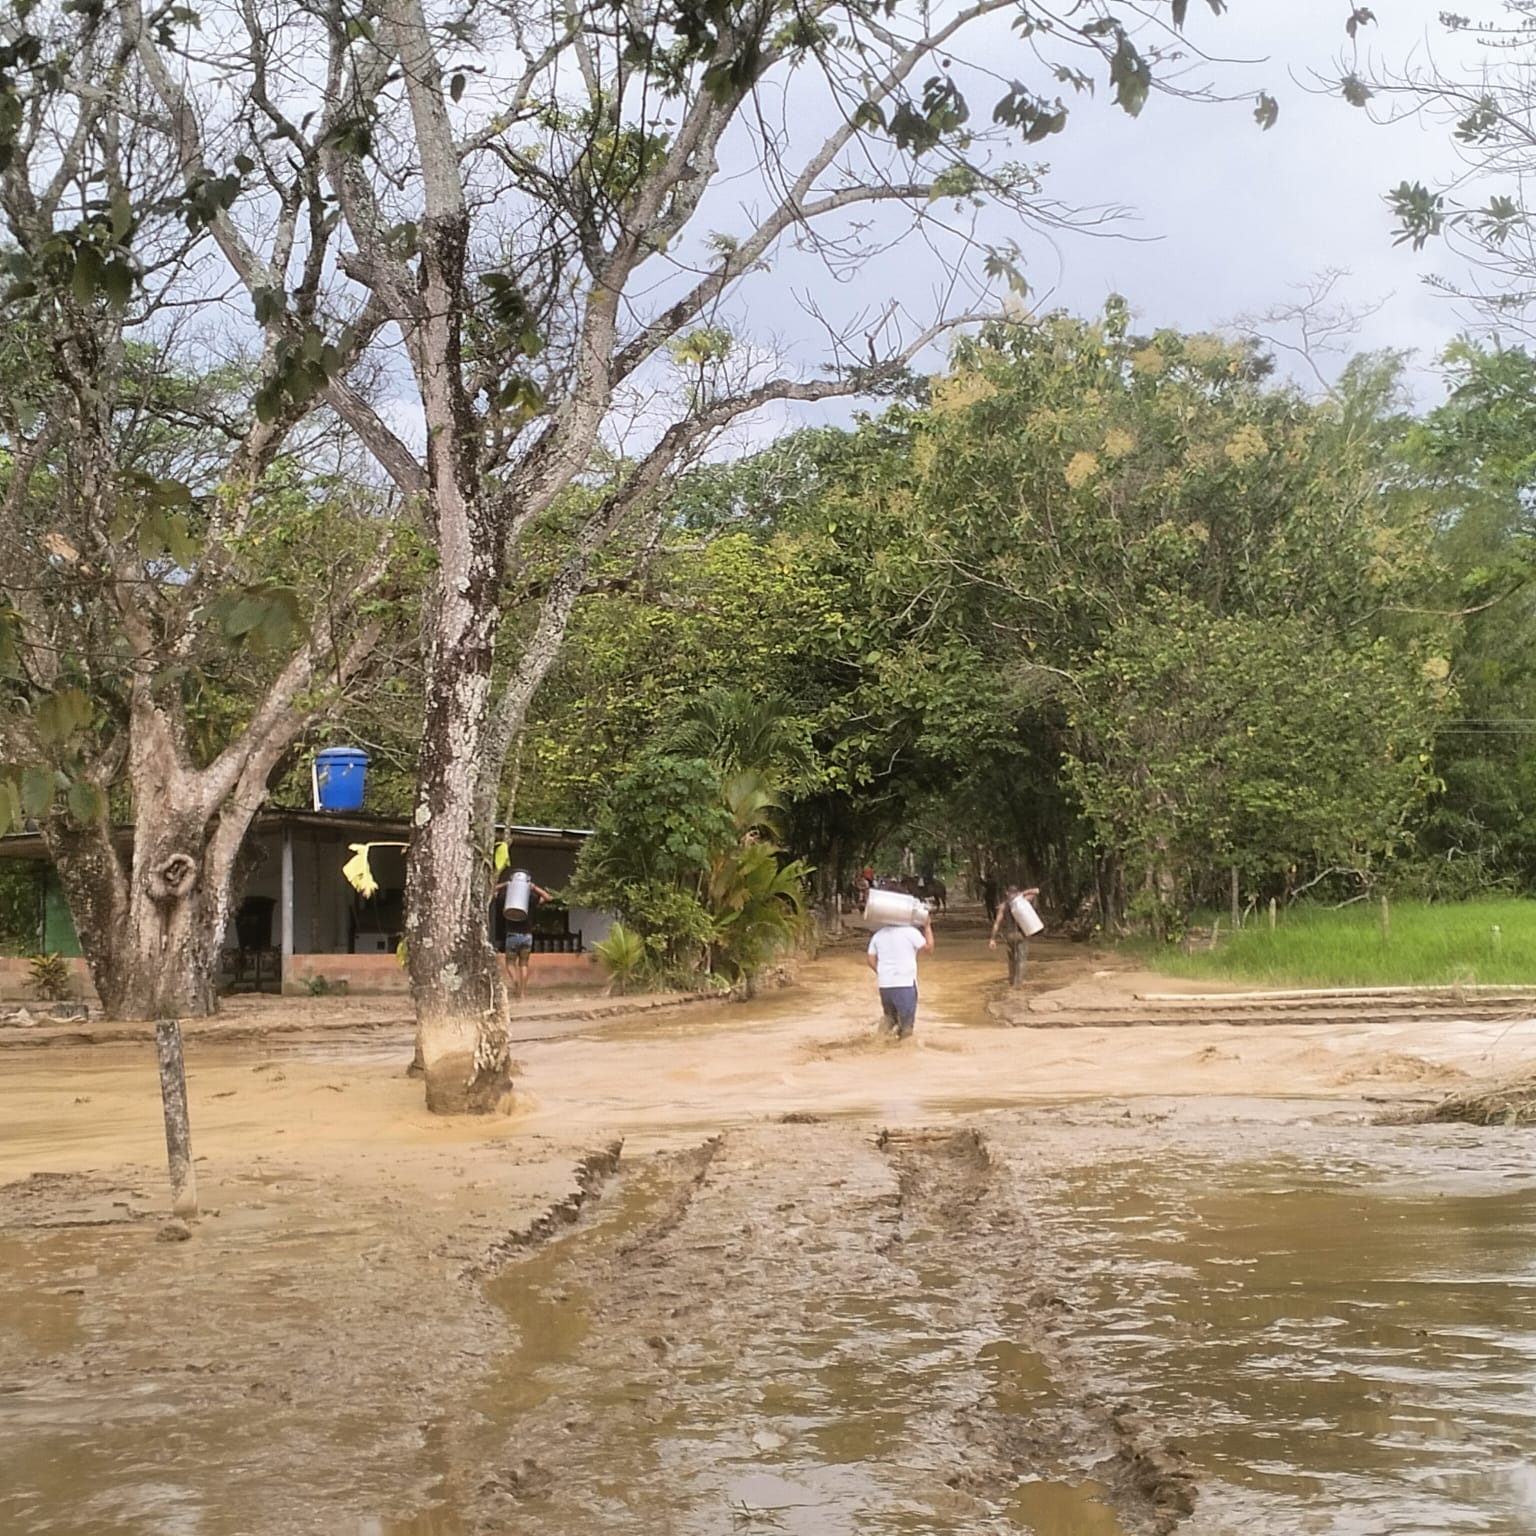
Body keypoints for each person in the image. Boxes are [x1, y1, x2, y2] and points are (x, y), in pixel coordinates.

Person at [866, 913, 934, 1040]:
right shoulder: (910, 932)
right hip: (905, 984)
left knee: (889, 1018)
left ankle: (878, 1041)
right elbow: (929, 948)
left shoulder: (878, 935)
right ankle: (904, 1049)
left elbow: (870, 960)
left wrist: (882, 973)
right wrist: (927, 927)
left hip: (885, 986)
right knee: (906, 1026)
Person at [494, 875, 553, 1000]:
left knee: (510, 963)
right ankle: (522, 993)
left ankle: (515, 981)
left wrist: (505, 884)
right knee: (524, 964)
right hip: (527, 937)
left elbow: (490, 891)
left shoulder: (506, 898)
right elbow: (548, 897)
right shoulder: (531, 898)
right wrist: (534, 888)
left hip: (512, 936)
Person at [989, 884, 1040, 988]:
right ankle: (1018, 984)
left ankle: (1011, 982)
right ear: (1016, 893)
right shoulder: (1023, 901)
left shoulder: (1003, 906)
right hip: (1021, 935)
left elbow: (997, 924)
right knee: (1021, 959)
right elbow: (1036, 891)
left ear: (1007, 893)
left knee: (1012, 960)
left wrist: (992, 939)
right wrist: (1022, 894)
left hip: (1009, 935)